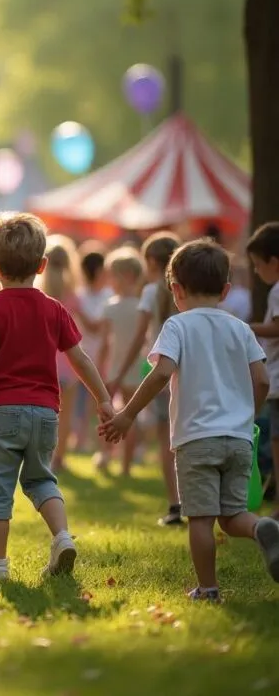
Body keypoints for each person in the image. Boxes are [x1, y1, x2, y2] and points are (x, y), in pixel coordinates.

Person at [0, 212, 113, 582]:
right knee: (42, 480)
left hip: (1, 413)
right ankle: (62, 536)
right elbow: (79, 358)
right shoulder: (54, 309)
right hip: (46, 412)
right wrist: (104, 399)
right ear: (43, 264)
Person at [102, 239, 279, 601]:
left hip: (197, 439)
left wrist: (127, 415)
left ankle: (208, 589)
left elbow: (159, 374)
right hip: (239, 437)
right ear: (226, 290)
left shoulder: (177, 326)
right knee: (232, 517)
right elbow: (262, 379)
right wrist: (248, 416)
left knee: (200, 518)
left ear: (176, 290)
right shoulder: (240, 328)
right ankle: (264, 527)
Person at [108, 231, 183, 526]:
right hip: (187, 369)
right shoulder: (184, 289)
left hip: (159, 369)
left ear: (151, 261)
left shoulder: (151, 291)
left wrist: (118, 373)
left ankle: (175, 505)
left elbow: (140, 338)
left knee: (167, 439)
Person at [96, 248, 145, 475]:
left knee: (107, 414)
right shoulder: (142, 307)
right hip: (135, 367)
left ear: (125, 275)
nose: (109, 281)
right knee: (129, 417)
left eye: (112, 275)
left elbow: (106, 343)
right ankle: (125, 466)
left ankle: (105, 455)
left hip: (114, 367)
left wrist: (99, 366)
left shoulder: (111, 306)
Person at [38, 236, 84, 471]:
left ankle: (43, 457)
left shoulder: (39, 295)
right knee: (65, 416)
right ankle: (60, 458)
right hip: (68, 362)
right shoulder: (72, 295)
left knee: (45, 416)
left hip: (44, 363)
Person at [247, 222, 279, 519]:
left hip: (278, 382)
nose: (256, 272)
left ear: (274, 262)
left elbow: (277, 328)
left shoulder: (277, 290)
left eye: (258, 265)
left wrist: (245, 327)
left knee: (277, 443)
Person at [74, 245, 111, 452]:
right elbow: (94, 326)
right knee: (82, 401)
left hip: (102, 355)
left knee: (98, 400)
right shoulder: (80, 295)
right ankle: (80, 439)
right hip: (82, 354)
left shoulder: (107, 295)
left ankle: (99, 444)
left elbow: (96, 326)